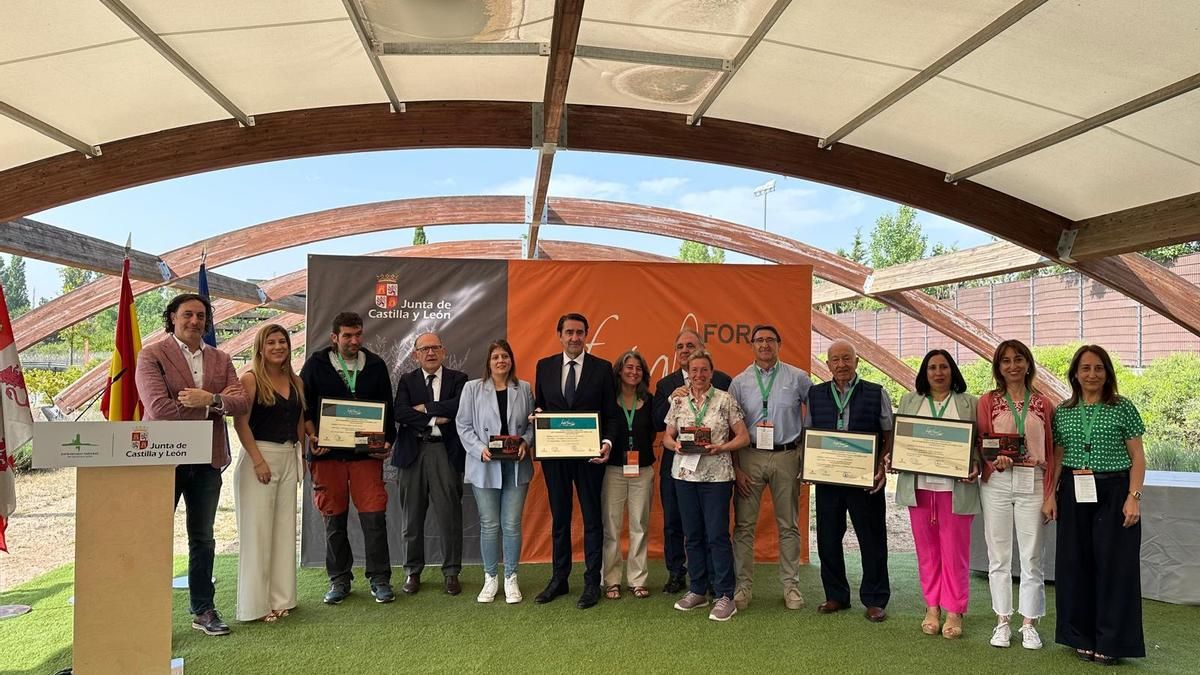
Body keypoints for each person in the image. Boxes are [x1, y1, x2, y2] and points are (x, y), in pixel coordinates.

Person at [136, 292, 249, 636]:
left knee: (203, 538)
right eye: (187, 314)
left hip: (207, 461)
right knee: (154, 536)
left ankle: (203, 610)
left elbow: (240, 402)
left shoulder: (221, 358)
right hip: (162, 458)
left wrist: (210, 398)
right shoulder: (151, 354)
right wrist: (211, 407)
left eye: (201, 316)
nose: (195, 321)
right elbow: (158, 408)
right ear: (172, 317)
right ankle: (146, 612)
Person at [1047, 345, 1146, 665]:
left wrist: (1133, 497)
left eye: (1099, 368)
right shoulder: (1063, 411)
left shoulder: (1123, 407)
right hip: (1073, 491)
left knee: (1115, 567)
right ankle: (1080, 636)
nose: (1092, 374)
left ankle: (1111, 641)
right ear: (1075, 374)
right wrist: (1050, 495)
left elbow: (1138, 457)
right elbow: (1058, 456)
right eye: (1086, 368)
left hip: (1115, 491)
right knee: (1075, 565)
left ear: (1107, 373)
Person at [300, 312, 396, 605]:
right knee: (334, 520)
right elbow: (304, 407)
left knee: (374, 517)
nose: (354, 341)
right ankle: (339, 579)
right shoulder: (315, 365)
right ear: (334, 337)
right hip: (328, 456)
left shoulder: (375, 365)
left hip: (365, 456)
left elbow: (387, 409)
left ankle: (379, 579)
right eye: (347, 336)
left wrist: (387, 441)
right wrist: (312, 436)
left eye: (358, 335)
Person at [805, 339, 893, 622]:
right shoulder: (815, 393)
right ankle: (836, 596)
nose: (841, 364)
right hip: (828, 479)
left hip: (865, 479)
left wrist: (881, 463)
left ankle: (875, 599)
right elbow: (810, 434)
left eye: (846, 358)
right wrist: (809, 467)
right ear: (828, 364)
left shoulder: (876, 392)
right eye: (835, 359)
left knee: (872, 538)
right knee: (828, 538)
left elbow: (888, 433)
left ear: (857, 362)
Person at [532, 313, 616, 610]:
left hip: (590, 457)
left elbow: (611, 414)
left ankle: (592, 582)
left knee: (592, 520)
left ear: (586, 335)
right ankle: (559, 579)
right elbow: (541, 406)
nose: (574, 337)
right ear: (560, 335)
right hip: (555, 457)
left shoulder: (602, 368)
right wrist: (537, 417)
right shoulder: (544, 366)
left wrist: (607, 443)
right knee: (560, 519)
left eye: (580, 332)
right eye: (569, 332)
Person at [894, 349, 980, 639]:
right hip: (919, 488)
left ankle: (954, 610)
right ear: (924, 372)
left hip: (956, 489)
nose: (938, 373)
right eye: (932, 367)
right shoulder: (910, 401)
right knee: (927, 552)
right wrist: (894, 456)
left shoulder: (970, 403)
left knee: (955, 553)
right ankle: (932, 607)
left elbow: (979, 443)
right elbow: (901, 441)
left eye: (944, 367)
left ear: (952, 371)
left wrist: (975, 463)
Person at [976, 339, 1054, 650]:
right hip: (997, 481)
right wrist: (993, 460)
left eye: (1018, 359)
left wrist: (1050, 492)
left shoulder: (1043, 404)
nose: (1013, 366)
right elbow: (982, 442)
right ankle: (1002, 621)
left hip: (1032, 481)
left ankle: (1029, 624)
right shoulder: (988, 401)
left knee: (1032, 555)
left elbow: (1052, 450)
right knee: (999, 555)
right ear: (998, 367)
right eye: (1006, 360)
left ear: (1028, 364)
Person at [728, 324, 812, 611]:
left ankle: (791, 587)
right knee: (744, 526)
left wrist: (806, 457)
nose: (764, 345)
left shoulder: (798, 378)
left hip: (786, 455)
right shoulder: (739, 382)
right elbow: (731, 428)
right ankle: (743, 587)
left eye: (770, 340)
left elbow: (816, 415)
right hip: (749, 456)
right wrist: (736, 468)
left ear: (779, 344)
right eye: (759, 340)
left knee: (789, 525)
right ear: (751, 345)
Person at [662, 351, 750, 622]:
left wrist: (721, 447)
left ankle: (725, 595)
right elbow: (667, 437)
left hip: (717, 478)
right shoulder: (678, 401)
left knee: (717, 536)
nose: (699, 375)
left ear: (711, 372)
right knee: (693, 535)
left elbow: (744, 437)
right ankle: (698, 590)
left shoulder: (725, 400)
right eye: (694, 370)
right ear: (688, 373)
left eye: (704, 370)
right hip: (684, 477)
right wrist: (675, 445)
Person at [232, 324, 305, 622]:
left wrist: (303, 456)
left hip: (289, 456)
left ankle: (282, 598)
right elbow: (240, 423)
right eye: (271, 342)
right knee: (257, 534)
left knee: (284, 531)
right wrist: (258, 460)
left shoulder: (296, 381)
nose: (278, 347)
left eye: (282, 341)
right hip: (259, 457)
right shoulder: (249, 379)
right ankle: (255, 607)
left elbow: (299, 422)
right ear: (260, 348)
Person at [652, 329, 732, 594]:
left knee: (710, 527)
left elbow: (731, 428)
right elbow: (657, 423)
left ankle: (711, 579)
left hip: (713, 469)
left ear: (702, 349)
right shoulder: (666, 384)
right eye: (680, 347)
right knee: (675, 523)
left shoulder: (722, 381)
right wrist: (671, 400)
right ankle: (676, 573)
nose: (685, 350)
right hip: (678, 466)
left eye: (690, 345)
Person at [456, 339, 535, 604]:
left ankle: (511, 577)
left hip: (516, 467)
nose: (501, 361)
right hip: (485, 465)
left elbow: (532, 425)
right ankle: (490, 578)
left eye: (505, 356)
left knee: (511, 524)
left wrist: (526, 442)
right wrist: (479, 449)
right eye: (496, 357)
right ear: (488, 362)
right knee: (489, 525)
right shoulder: (472, 389)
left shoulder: (524, 388)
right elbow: (463, 425)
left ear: (511, 360)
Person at [393, 332, 468, 596]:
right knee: (411, 518)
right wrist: (435, 418)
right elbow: (400, 412)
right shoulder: (407, 380)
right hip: (412, 453)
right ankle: (412, 572)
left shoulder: (459, 379)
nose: (430, 353)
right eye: (424, 349)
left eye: (435, 347)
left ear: (443, 351)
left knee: (449, 516)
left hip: (444, 452)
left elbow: (459, 406)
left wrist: (425, 408)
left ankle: (451, 572)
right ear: (416, 355)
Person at [601, 350, 656, 600]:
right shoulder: (608, 400)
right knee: (611, 526)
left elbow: (654, 431)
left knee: (639, 526)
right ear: (619, 371)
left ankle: (637, 580)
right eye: (629, 367)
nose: (633, 372)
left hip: (642, 470)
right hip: (613, 469)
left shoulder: (649, 400)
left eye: (638, 368)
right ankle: (611, 580)